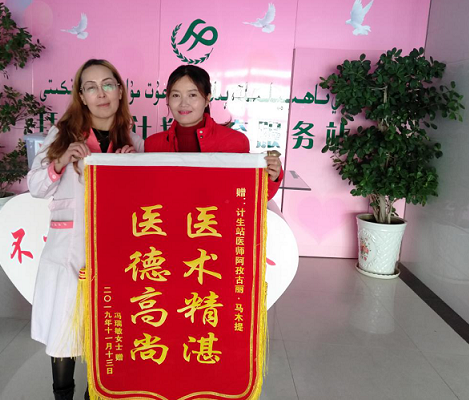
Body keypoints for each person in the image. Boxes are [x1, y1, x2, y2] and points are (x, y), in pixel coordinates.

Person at [27, 59, 143, 400]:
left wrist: (131, 171)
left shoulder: (135, 143)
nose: (101, 94)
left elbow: (145, 206)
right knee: (64, 332)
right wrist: (61, 161)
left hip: (115, 254)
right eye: (91, 87)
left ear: (120, 91)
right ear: (81, 96)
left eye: (108, 84)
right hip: (68, 252)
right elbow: (35, 186)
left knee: (103, 335)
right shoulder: (62, 135)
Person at [144, 65, 283, 197]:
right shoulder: (153, 145)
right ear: (168, 99)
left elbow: (247, 196)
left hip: (215, 214)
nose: (183, 103)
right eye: (176, 95)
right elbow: (147, 193)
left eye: (192, 95)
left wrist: (272, 176)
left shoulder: (235, 142)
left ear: (207, 99)